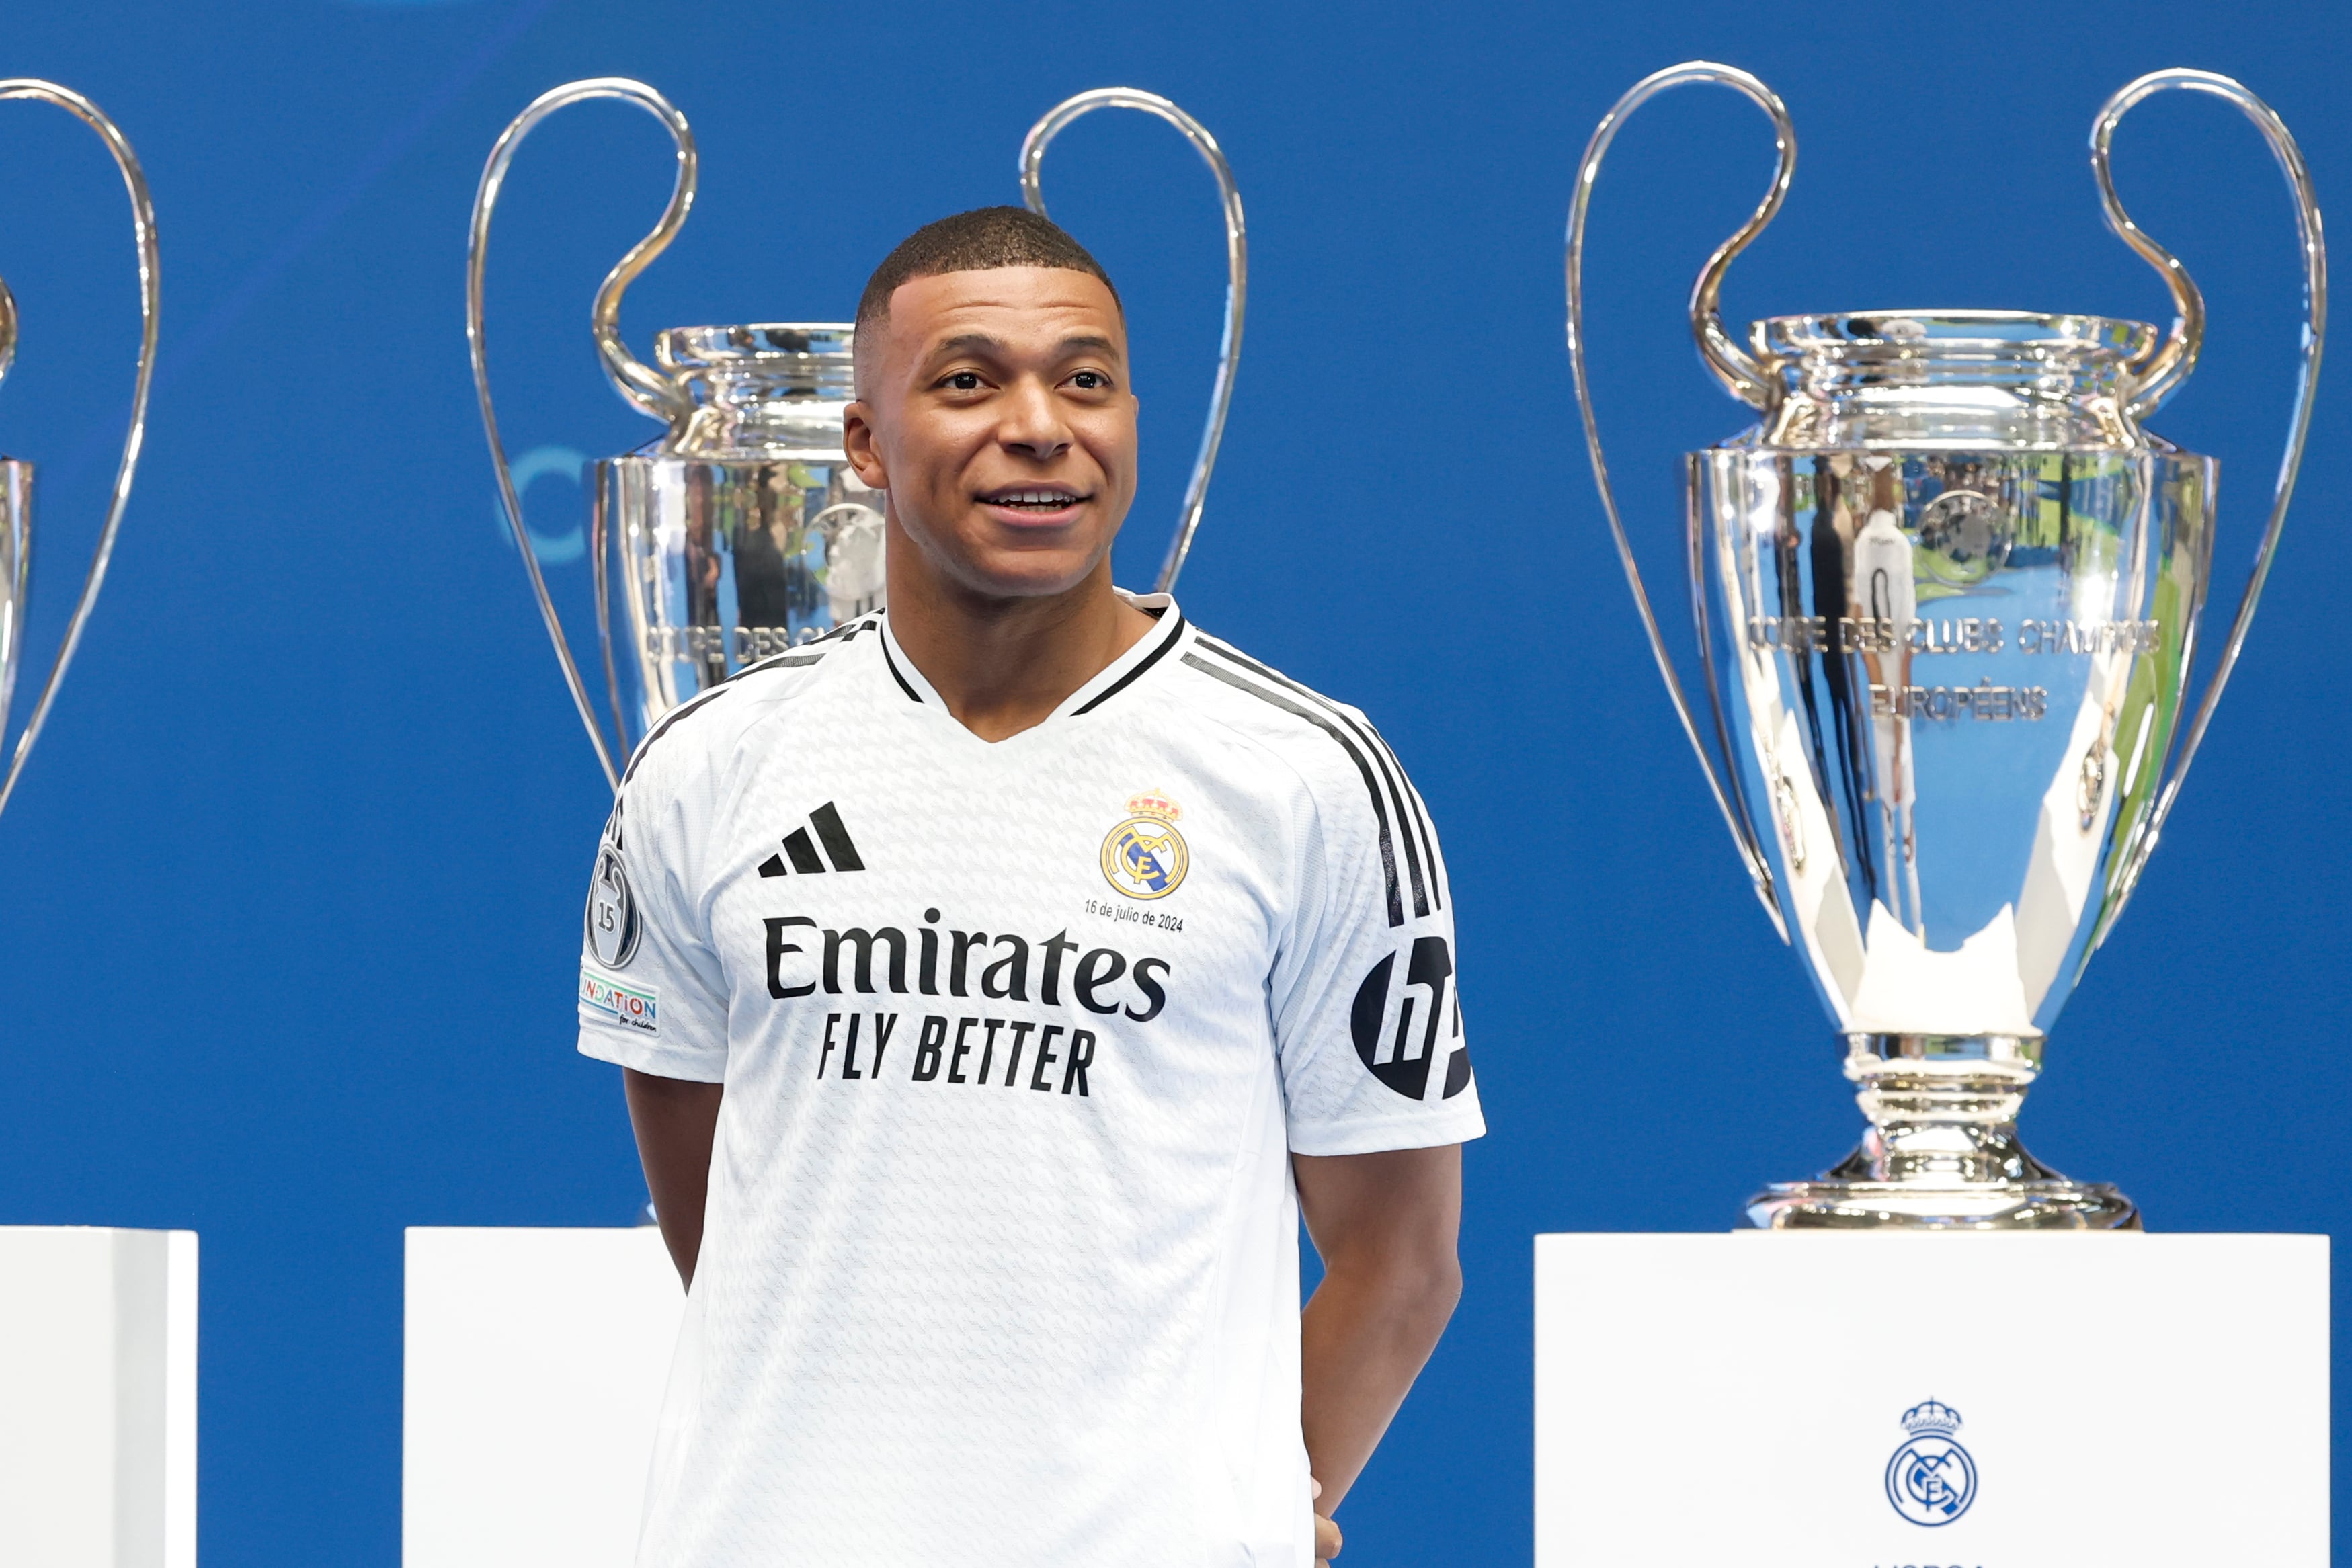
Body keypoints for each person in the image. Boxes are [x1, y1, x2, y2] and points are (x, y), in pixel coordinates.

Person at [577, 205, 1482, 1568]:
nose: (1040, 423)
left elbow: (1401, 1261)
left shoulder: (1302, 776)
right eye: (966, 380)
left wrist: (1248, 1501)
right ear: (865, 446)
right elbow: (725, 1228)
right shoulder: (706, 769)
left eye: (1085, 378)